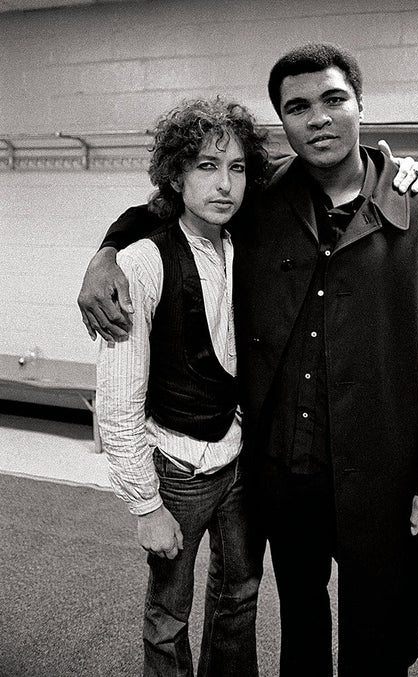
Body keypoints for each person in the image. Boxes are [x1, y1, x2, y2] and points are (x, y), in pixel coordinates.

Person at [79, 43, 418, 677]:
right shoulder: (262, 202)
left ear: (360, 105)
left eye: (333, 99)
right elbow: (169, 205)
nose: (317, 117)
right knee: (301, 627)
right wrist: (105, 254)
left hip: (385, 470)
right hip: (288, 472)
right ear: (283, 123)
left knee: (384, 635)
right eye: (297, 107)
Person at [95, 98, 268, 677]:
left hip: (240, 460)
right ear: (176, 174)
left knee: (240, 597)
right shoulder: (142, 263)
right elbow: (117, 405)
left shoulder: (247, 245)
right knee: (168, 618)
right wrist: (145, 505)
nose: (225, 184)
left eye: (237, 168)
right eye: (206, 166)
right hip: (175, 469)